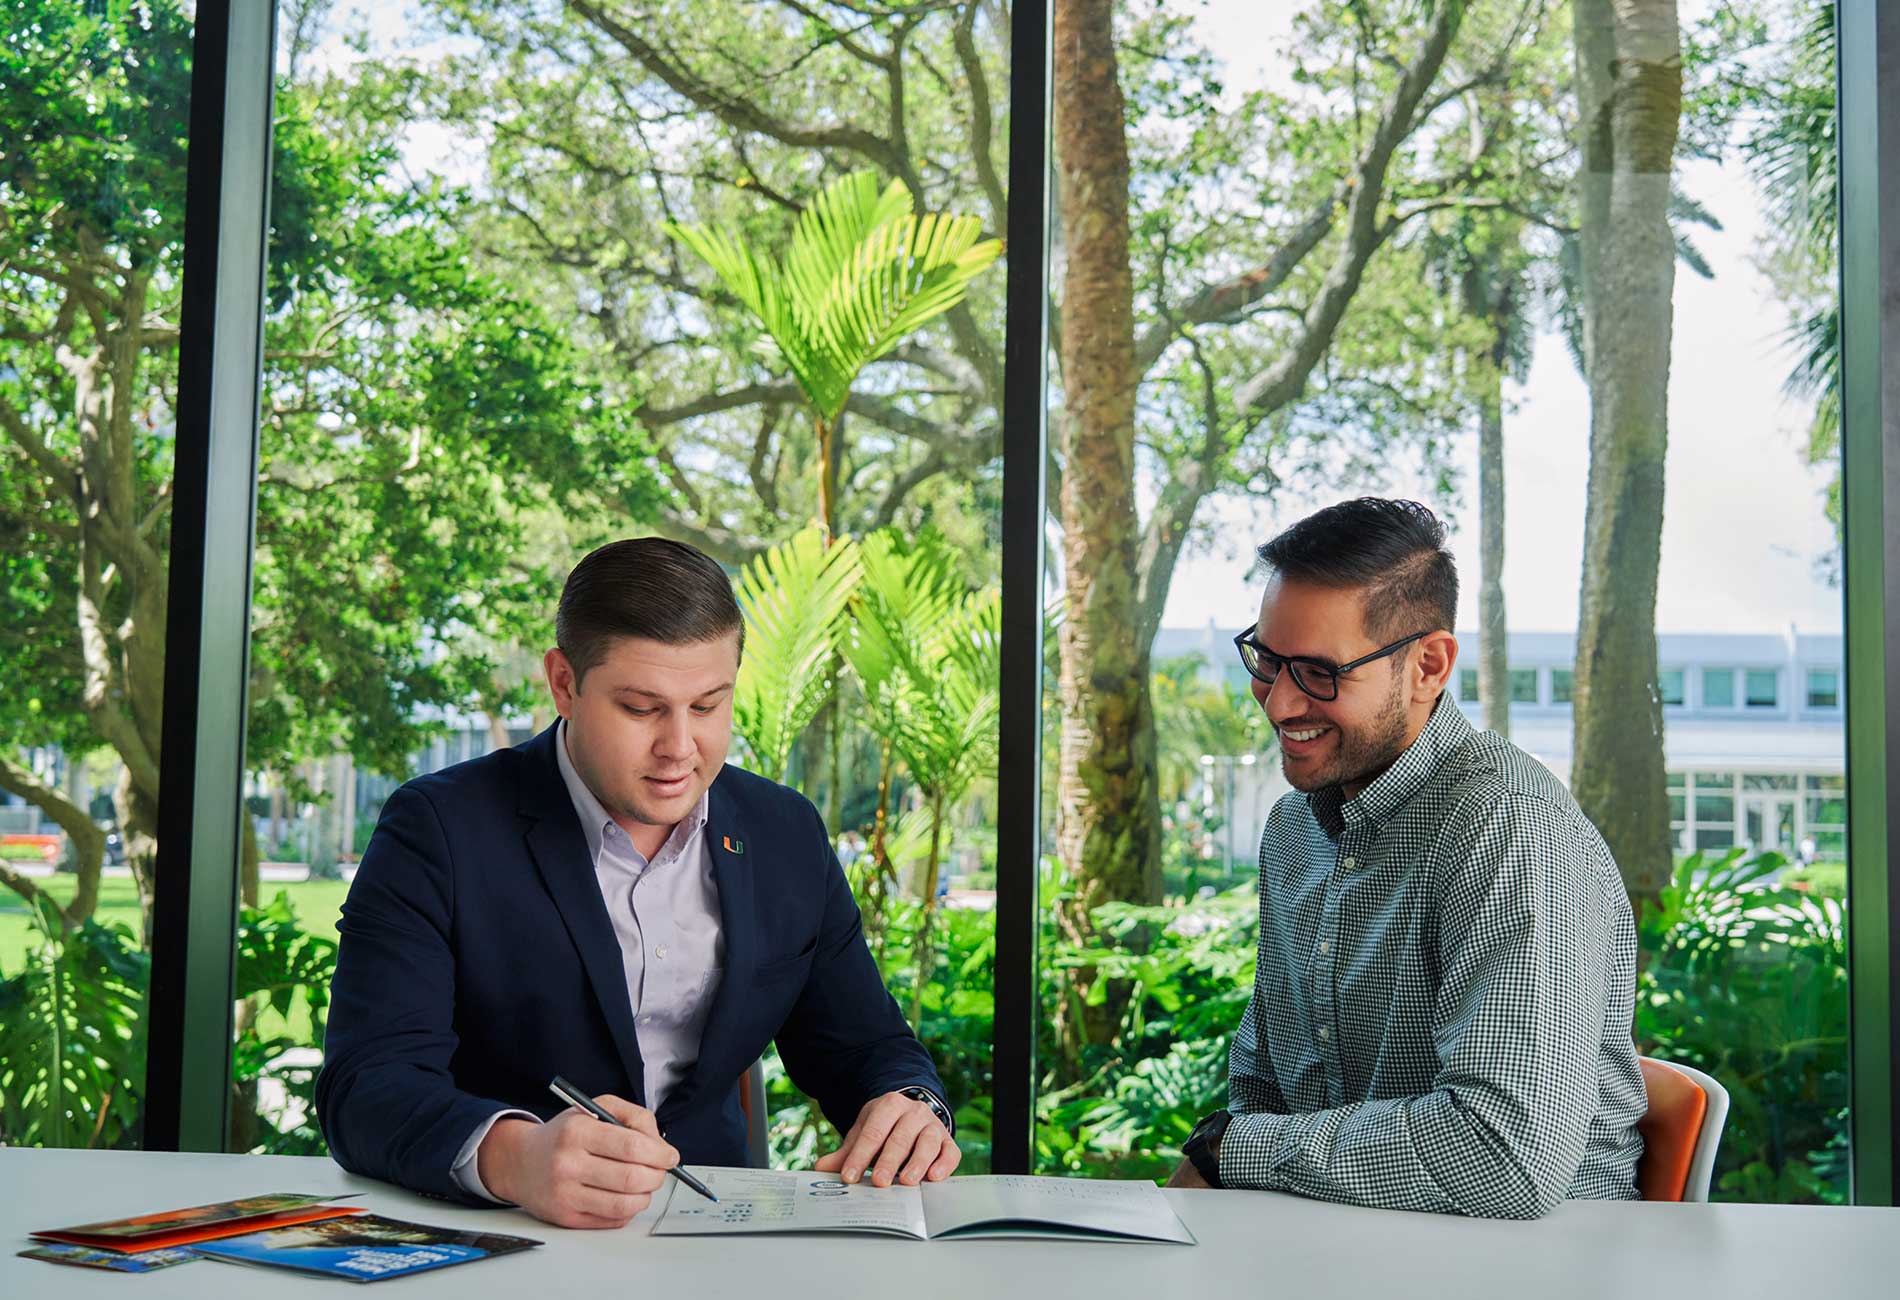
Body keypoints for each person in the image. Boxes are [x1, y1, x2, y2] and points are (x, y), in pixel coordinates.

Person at [316, 538, 958, 1228]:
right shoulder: (439, 829)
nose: (680, 747)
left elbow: (866, 1046)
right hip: (506, 1235)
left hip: (717, 1237)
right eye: (642, 709)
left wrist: (909, 1104)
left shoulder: (784, 832)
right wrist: (516, 1158)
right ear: (564, 683)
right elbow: (366, 1085)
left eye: (708, 706)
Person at [1169, 498, 1645, 1218]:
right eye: (1267, 661)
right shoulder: (1292, 830)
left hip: (1536, 1266)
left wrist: (1236, 1152)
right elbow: (1263, 1087)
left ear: (1428, 665)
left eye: (1320, 675)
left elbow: (1504, 1157)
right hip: (1341, 1244)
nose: (1277, 705)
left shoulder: (1510, 827)